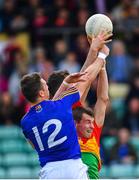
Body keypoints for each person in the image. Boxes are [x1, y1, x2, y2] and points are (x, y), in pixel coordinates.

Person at [20, 71, 89, 179]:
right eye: (45, 85)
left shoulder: (25, 122)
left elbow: (34, 146)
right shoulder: (61, 104)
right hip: (73, 167)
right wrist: (101, 57)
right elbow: (86, 80)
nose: (47, 87)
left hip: (50, 171)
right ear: (41, 93)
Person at [73, 66, 109, 179]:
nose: (92, 126)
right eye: (88, 122)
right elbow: (81, 90)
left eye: (92, 122)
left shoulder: (94, 133)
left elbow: (103, 99)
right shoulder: (68, 133)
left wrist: (102, 69)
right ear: (76, 123)